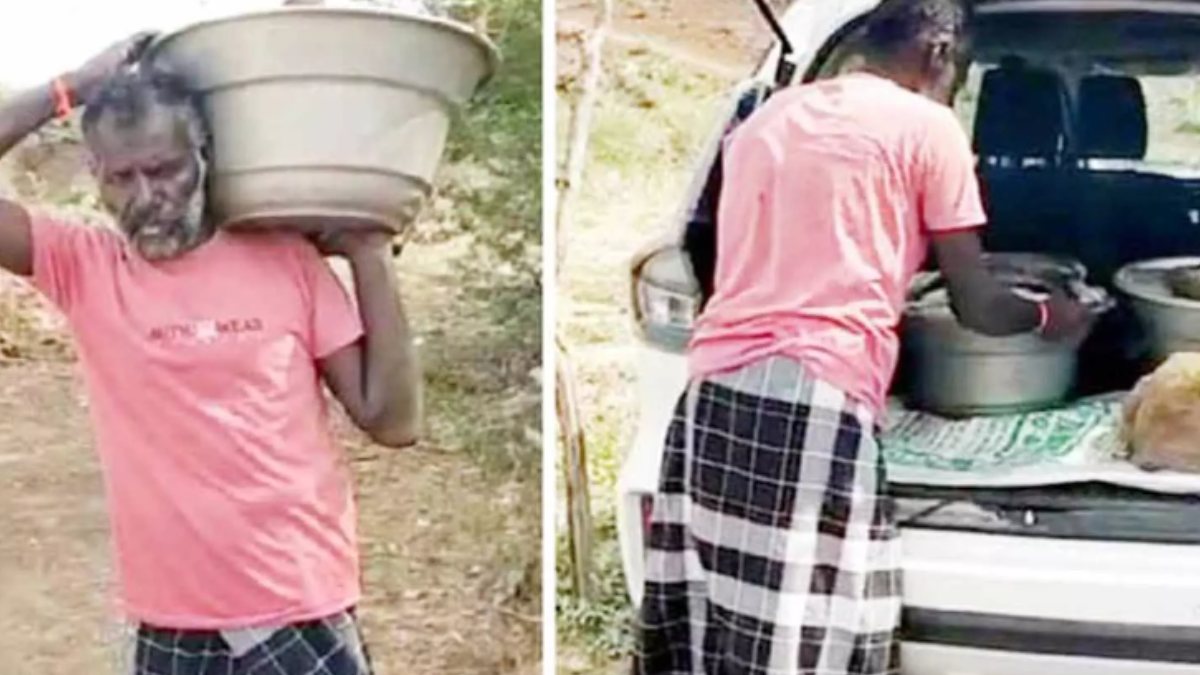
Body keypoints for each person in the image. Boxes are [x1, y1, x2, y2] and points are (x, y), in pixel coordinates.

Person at [635, 0, 1092, 673]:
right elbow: (978, 304)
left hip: (710, 397)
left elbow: (734, 260)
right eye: (960, 79)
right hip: (815, 395)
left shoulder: (766, 120)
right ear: (939, 55)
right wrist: (1056, 318)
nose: (953, 95)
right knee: (804, 626)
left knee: (717, 615)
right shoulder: (929, 128)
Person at [0, 33, 420, 675]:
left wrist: (370, 255)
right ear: (96, 176)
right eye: (123, 177)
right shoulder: (84, 267)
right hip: (172, 621)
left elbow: (393, 421)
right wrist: (68, 88)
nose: (147, 195)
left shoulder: (286, 260)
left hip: (299, 606)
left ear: (204, 155)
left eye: (164, 168)